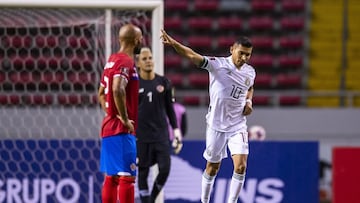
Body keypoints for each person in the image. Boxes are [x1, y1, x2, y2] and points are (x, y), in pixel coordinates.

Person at [161, 29, 255, 203]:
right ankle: (205, 201)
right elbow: (192, 55)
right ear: (231, 49)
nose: (244, 58)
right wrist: (174, 44)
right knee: (212, 167)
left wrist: (249, 102)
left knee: (241, 166)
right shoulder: (218, 65)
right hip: (216, 125)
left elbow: (249, 87)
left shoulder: (250, 72)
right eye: (241, 53)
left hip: (238, 124)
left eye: (248, 55)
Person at [97, 23, 143, 203]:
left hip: (109, 126)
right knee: (127, 178)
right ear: (137, 40)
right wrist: (124, 119)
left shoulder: (112, 60)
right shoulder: (126, 61)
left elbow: (101, 94)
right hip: (121, 131)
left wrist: (111, 113)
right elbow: (117, 89)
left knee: (112, 177)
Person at [136, 47, 183, 203]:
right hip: (141, 136)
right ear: (138, 63)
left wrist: (176, 132)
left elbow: (170, 109)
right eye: (144, 59)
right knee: (142, 172)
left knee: (165, 168)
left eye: (150, 58)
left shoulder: (164, 82)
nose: (148, 61)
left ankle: (151, 198)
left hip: (161, 135)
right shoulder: (133, 84)